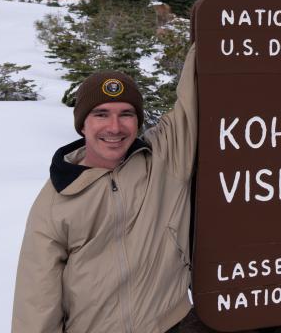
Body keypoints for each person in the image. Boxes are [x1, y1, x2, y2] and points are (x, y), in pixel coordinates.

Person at [12, 68, 198, 333]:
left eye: (126, 114)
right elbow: (36, 301)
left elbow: (198, 87)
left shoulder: (165, 159)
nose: (115, 127)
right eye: (101, 114)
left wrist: (215, 31)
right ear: (83, 124)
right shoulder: (57, 199)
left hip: (170, 324)